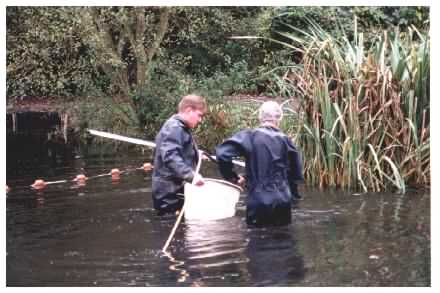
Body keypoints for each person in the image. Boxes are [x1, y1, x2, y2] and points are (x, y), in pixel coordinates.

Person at [215, 100, 304, 226]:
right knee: (284, 240)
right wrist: (293, 197)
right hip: (283, 200)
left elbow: (223, 154)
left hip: (259, 199)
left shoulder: (250, 136)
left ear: (260, 117)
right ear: (279, 119)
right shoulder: (287, 141)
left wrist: (233, 177)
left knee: (257, 240)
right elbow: (295, 174)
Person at [152, 94, 206, 215]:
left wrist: (196, 154)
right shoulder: (174, 128)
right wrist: (191, 176)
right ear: (188, 110)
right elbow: (170, 156)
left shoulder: (180, 128)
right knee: (170, 228)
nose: (200, 120)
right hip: (169, 196)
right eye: (199, 115)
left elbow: (177, 152)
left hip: (175, 192)